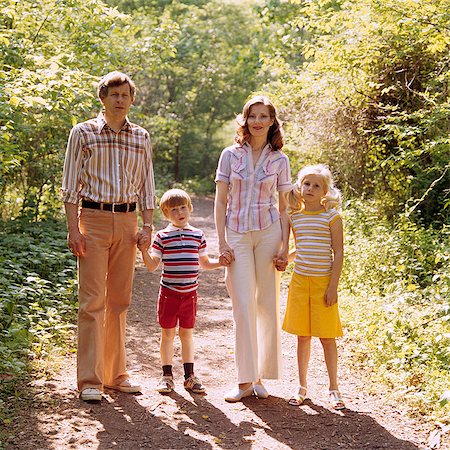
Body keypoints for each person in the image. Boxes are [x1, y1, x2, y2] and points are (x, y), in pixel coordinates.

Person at [60, 71, 155, 402]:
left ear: (131, 100)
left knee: (119, 301)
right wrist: (74, 228)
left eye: (125, 95)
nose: (119, 100)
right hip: (94, 219)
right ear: (103, 98)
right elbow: (70, 186)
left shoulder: (140, 136)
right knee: (92, 302)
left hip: (128, 222)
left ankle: (116, 374)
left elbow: (146, 184)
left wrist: (147, 225)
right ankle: (90, 379)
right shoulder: (83, 133)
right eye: (113, 94)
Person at [214, 95, 292, 402]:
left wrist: (285, 245)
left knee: (266, 304)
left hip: (268, 232)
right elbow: (221, 201)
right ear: (244, 120)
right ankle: (244, 380)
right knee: (243, 303)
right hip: (236, 233)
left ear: (272, 121)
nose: (257, 121)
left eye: (263, 116)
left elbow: (285, 207)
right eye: (252, 116)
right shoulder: (229, 155)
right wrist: (221, 240)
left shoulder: (280, 160)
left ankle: (261, 376)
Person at [139, 189, 227, 394]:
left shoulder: (198, 235)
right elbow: (152, 266)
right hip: (169, 294)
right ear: (166, 214)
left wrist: (220, 263)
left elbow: (204, 263)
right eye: (173, 209)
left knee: (187, 334)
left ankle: (189, 377)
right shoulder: (162, 236)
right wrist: (143, 250)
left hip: (190, 295)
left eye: (183, 207)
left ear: (190, 209)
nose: (180, 212)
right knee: (167, 334)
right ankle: (167, 376)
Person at [282, 164, 345, 410]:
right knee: (303, 336)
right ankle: (302, 386)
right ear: (299, 187)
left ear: (325, 192)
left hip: (322, 284)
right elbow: (299, 250)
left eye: (316, 185)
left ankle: (334, 388)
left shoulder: (332, 217)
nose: (310, 188)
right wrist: (282, 260)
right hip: (299, 283)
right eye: (306, 184)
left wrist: (333, 287)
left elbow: (337, 252)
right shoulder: (294, 216)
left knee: (327, 338)